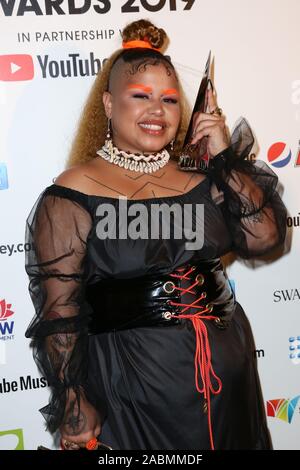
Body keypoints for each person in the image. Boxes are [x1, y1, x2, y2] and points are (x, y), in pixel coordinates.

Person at [25, 19, 287, 450]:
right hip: (133, 386)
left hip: (226, 376)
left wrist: (222, 154)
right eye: (140, 96)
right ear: (109, 104)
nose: (157, 110)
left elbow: (265, 238)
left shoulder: (203, 178)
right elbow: (60, 311)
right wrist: (73, 401)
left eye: (168, 99)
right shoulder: (74, 191)